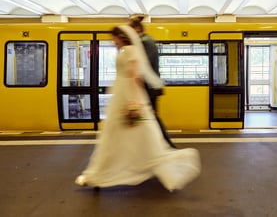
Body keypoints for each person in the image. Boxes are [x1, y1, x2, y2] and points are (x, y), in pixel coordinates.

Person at [75, 25, 200, 191]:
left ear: (121, 37)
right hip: (120, 97)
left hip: (128, 97)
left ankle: (101, 173)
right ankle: (99, 173)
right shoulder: (125, 51)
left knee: (127, 136)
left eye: (114, 38)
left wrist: (135, 102)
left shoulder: (131, 51)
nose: (113, 41)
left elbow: (136, 77)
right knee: (117, 136)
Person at [129, 15, 176, 148]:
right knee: (149, 118)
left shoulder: (145, 42)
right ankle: (150, 146)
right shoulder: (145, 41)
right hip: (149, 88)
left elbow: (144, 66)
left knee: (153, 118)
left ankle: (168, 145)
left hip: (149, 89)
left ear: (137, 29)